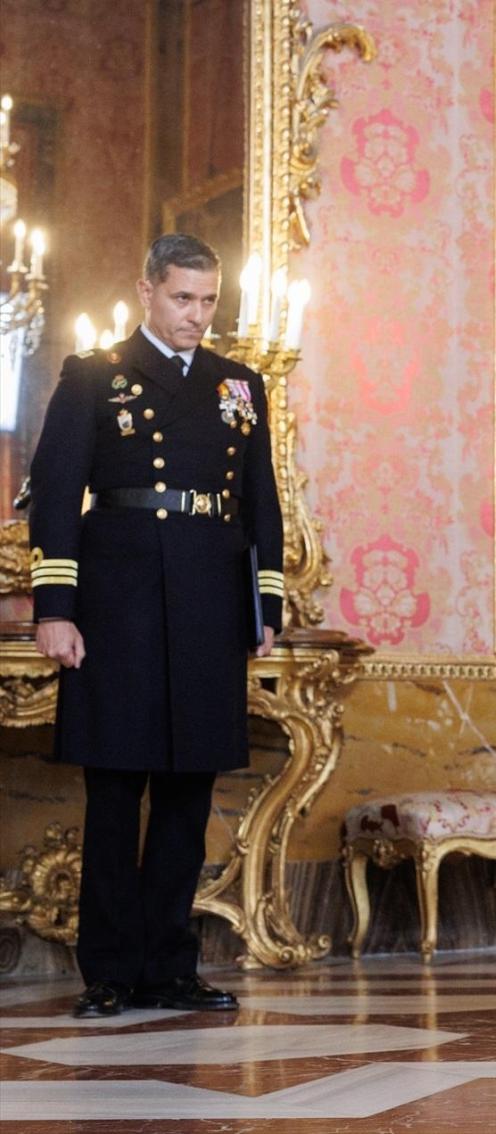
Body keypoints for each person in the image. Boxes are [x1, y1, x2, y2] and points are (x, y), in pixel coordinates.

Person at [28, 233, 284, 1019]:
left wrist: (264, 605)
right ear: (147, 290)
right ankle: (108, 970)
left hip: (209, 598)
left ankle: (171, 965)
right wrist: (55, 610)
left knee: (189, 790)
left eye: (209, 301)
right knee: (115, 787)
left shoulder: (237, 384)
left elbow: (262, 502)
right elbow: (56, 492)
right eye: (182, 298)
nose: (197, 316)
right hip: (119, 599)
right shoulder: (93, 376)